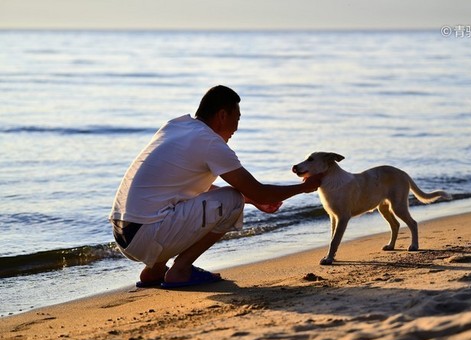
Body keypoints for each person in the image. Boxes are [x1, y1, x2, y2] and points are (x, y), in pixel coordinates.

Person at [109, 85, 321, 289]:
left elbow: (185, 188)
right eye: (236, 119)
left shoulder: (177, 126)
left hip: (124, 235)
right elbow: (260, 192)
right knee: (233, 200)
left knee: (218, 198)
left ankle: (155, 270)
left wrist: (253, 199)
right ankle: (180, 270)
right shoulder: (210, 142)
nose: (236, 128)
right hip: (146, 235)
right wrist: (304, 187)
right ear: (222, 116)